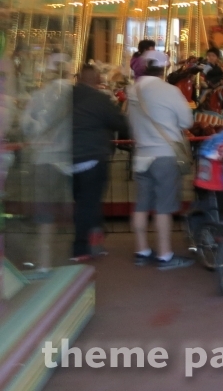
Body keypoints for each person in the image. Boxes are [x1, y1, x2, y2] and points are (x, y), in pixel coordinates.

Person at [127, 50, 194, 270]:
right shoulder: (170, 91)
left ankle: (141, 249)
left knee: (141, 204)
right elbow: (187, 121)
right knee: (163, 206)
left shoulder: (132, 90)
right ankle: (165, 255)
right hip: (164, 154)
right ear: (164, 69)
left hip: (141, 155)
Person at [70, 65, 128, 262]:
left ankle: (95, 242)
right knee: (90, 203)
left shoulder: (67, 97)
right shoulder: (100, 99)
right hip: (92, 156)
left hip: (70, 157)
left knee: (82, 201)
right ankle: (81, 248)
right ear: (96, 80)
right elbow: (119, 123)